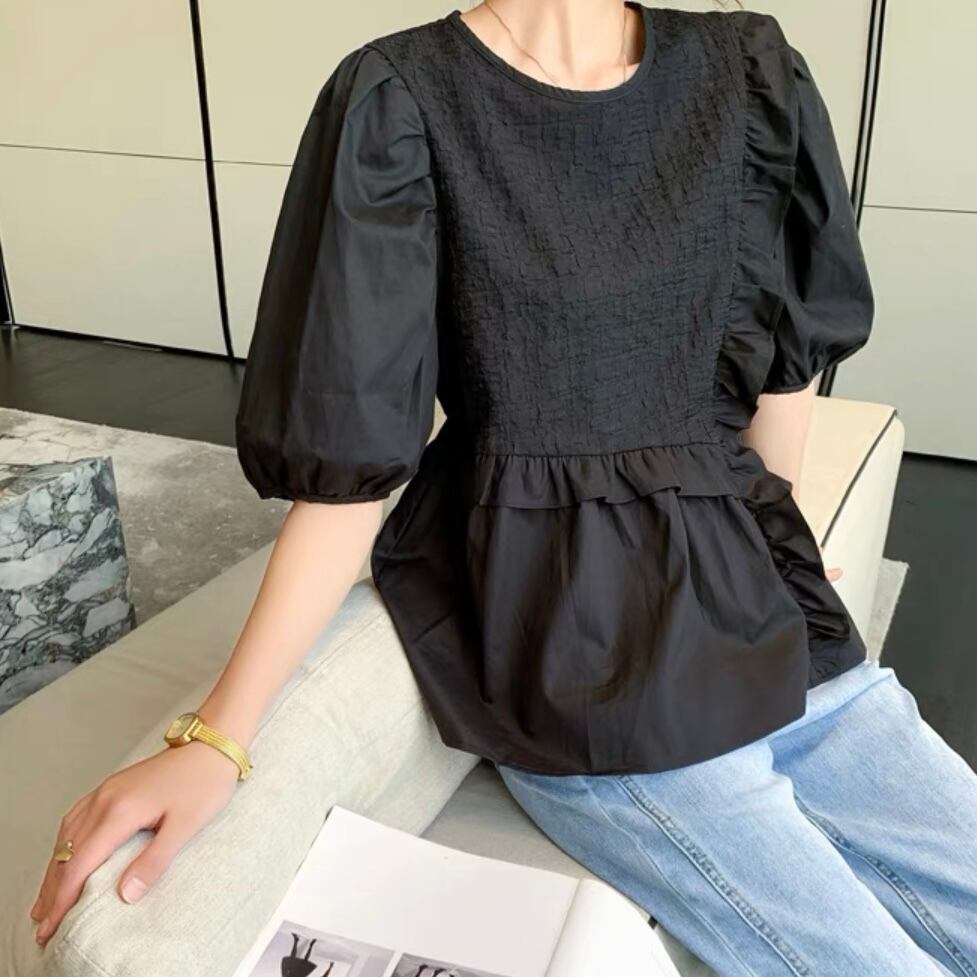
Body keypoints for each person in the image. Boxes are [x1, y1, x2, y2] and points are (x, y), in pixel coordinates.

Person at [30, 1, 977, 973]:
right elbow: (353, 463)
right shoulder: (399, 99)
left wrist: (774, 533)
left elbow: (783, 358)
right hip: (584, 660)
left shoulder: (749, 68)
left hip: (760, 607)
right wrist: (216, 737)